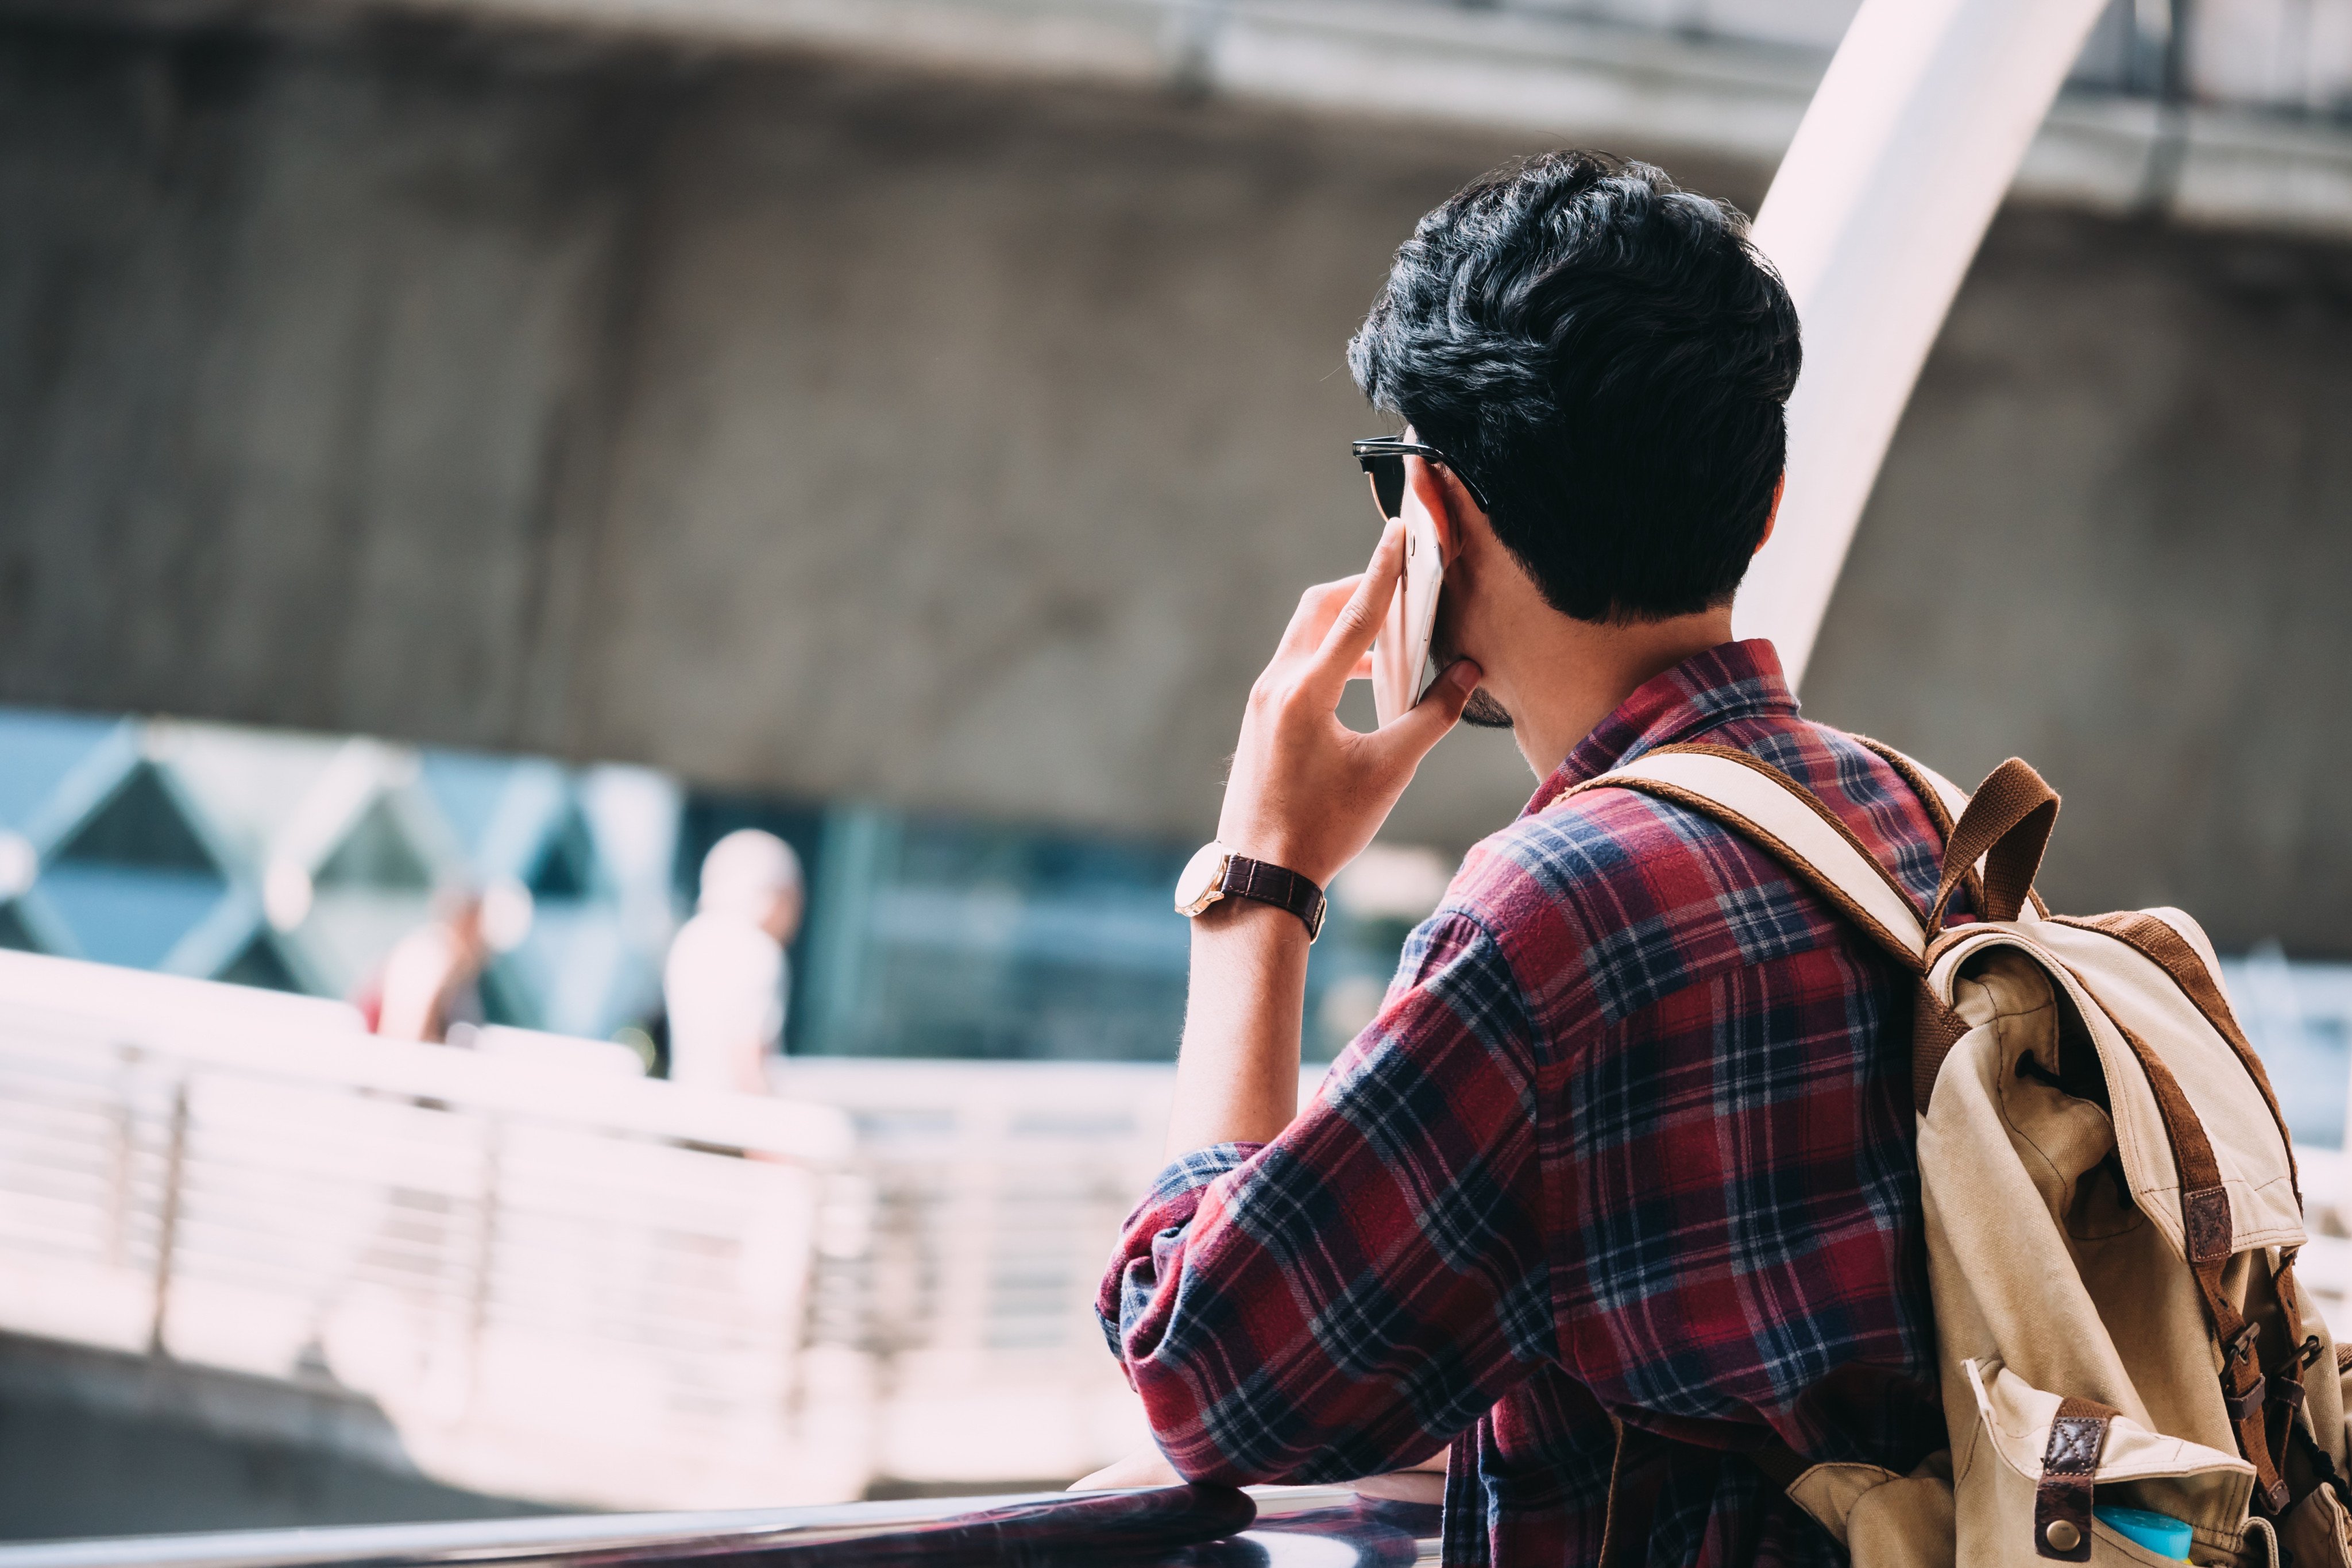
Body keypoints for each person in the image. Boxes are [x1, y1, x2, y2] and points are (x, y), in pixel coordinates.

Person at [1079, 152, 1953, 1567]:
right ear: (1772, 497)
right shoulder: (1915, 821)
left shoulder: (1558, 921)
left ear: (1431, 514)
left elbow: (1207, 1371)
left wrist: (1262, 883)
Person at [663, 829, 804, 1094]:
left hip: (687, 1106)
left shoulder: (692, 938)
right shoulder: (757, 950)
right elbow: (748, 1060)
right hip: (732, 1119)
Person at [373, 883, 489, 1044]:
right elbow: (402, 1031)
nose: (481, 938)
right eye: (477, 926)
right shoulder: (428, 957)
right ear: (464, 920)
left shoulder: (450, 962)